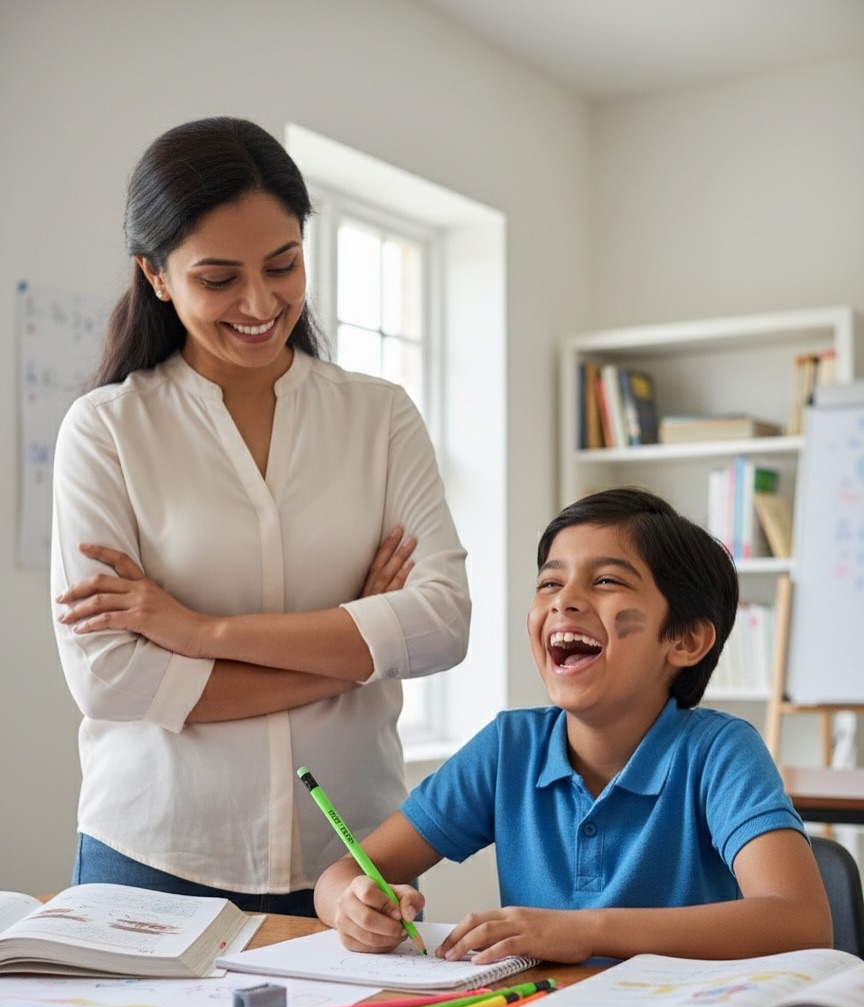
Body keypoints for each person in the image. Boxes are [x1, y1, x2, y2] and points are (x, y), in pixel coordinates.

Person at [51, 116, 471, 915]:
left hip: (350, 858)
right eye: (218, 278)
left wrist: (198, 632)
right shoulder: (106, 430)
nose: (259, 301)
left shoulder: (379, 418)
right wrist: (356, 645)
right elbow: (112, 679)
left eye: (283, 265)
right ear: (157, 275)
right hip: (154, 851)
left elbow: (444, 624)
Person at [313, 487, 832, 962]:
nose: (563, 600)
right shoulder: (509, 748)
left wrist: (585, 931)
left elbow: (801, 922)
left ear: (687, 640)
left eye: (606, 581)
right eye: (550, 582)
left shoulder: (720, 752)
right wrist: (351, 906)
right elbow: (340, 876)